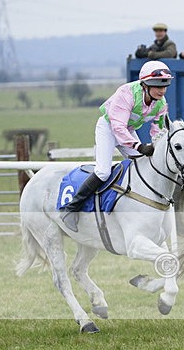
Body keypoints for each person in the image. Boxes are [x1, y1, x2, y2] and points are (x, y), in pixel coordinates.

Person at [60, 61, 173, 232]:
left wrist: (155, 146)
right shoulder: (126, 92)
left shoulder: (161, 103)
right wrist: (139, 146)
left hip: (128, 130)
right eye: (157, 85)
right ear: (145, 84)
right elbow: (117, 128)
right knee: (103, 171)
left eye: (165, 85)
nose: (162, 90)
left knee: (143, 164)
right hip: (108, 128)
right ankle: (71, 209)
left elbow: (157, 130)